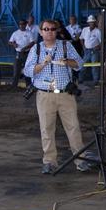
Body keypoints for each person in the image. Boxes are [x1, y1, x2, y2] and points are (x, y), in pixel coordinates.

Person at [25, 19, 91, 175]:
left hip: (65, 95)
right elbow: (27, 71)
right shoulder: (36, 50)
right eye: (46, 29)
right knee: (46, 129)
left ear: (57, 30)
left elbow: (80, 64)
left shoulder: (66, 46)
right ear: (41, 32)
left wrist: (68, 62)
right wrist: (43, 64)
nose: (49, 31)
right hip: (44, 95)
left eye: (52, 29)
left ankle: (80, 160)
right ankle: (49, 162)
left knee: (73, 128)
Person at [8, 18, 37, 88]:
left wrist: (25, 48)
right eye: (20, 24)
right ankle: (14, 86)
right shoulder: (15, 33)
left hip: (26, 53)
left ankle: (28, 86)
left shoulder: (29, 33)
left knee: (27, 69)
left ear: (25, 24)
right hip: (18, 53)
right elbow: (9, 42)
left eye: (23, 24)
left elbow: (33, 42)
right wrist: (13, 44)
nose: (21, 25)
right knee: (16, 69)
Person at [80, 15, 103, 84]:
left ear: (95, 22)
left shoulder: (98, 31)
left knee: (94, 66)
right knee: (83, 65)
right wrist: (83, 46)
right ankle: (80, 79)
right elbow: (81, 38)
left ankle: (95, 81)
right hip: (86, 50)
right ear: (88, 23)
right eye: (90, 22)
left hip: (94, 51)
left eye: (93, 22)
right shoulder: (85, 29)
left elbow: (102, 42)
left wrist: (98, 47)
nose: (91, 23)